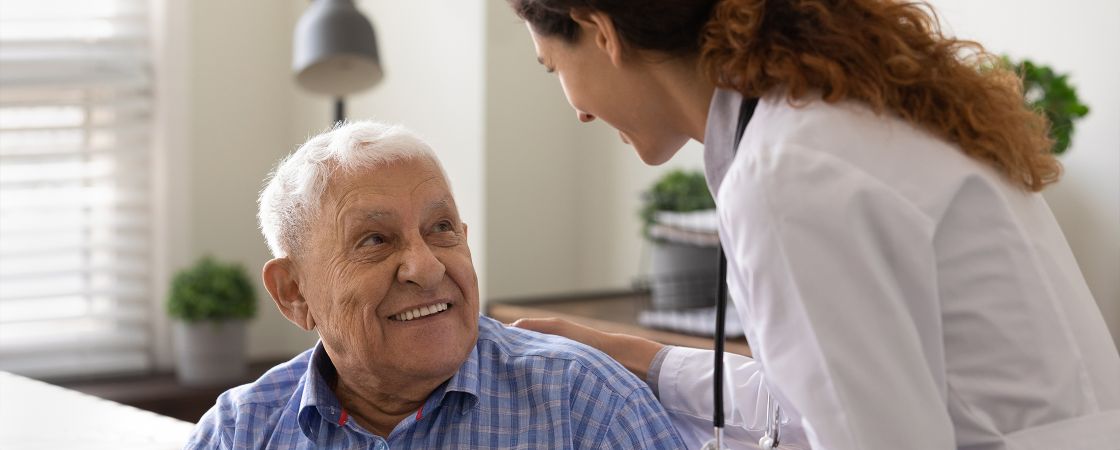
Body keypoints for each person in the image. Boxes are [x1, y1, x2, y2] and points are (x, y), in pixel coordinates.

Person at [506, 0, 1120, 449]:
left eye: (551, 67)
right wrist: (639, 358)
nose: (578, 110)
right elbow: (808, 403)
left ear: (599, 29)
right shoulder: (835, 121)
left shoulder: (786, 175)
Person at [184, 121, 686, 449]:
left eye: (440, 229)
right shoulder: (241, 432)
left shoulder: (584, 406)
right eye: (375, 240)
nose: (425, 268)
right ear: (294, 293)